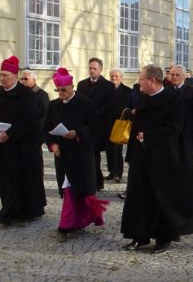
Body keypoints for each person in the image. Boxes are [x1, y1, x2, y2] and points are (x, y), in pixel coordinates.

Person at [120, 64, 193, 253]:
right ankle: (138, 236)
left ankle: (163, 237)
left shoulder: (173, 100)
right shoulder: (144, 98)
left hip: (164, 158)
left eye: (141, 79)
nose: (138, 82)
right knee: (138, 198)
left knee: (162, 199)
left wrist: (149, 137)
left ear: (152, 80)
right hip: (142, 158)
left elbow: (174, 129)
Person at [0, 55, 46, 224]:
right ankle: (8, 208)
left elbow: (29, 120)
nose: (2, 79)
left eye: (5, 76)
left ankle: (23, 210)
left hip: (20, 145)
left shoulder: (27, 95)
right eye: (0, 75)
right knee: (3, 177)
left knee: (20, 178)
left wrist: (9, 134)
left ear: (15, 76)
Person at [43, 67, 108, 234]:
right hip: (62, 156)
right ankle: (72, 221)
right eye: (57, 90)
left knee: (80, 189)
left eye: (63, 90)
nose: (60, 93)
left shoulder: (86, 103)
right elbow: (45, 129)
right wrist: (53, 145)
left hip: (81, 154)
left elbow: (95, 127)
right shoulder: (53, 106)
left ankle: (68, 223)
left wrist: (77, 133)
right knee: (68, 191)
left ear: (72, 87)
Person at [76, 57, 114, 190]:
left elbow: (109, 105)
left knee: (94, 155)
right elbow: (78, 103)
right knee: (86, 154)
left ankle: (97, 181)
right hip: (84, 126)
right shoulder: (82, 84)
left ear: (101, 69)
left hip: (99, 126)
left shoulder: (108, 85)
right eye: (90, 68)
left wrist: (94, 115)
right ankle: (91, 179)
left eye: (94, 69)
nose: (92, 71)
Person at [105, 69, 132, 183]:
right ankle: (111, 171)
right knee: (108, 149)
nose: (114, 78)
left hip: (119, 123)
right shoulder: (106, 89)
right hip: (107, 123)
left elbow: (128, 106)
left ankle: (118, 173)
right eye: (112, 76)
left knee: (117, 150)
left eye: (116, 76)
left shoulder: (127, 90)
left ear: (121, 77)